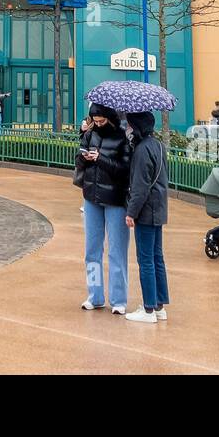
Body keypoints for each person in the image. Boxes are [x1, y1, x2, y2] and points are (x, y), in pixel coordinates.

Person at [75, 103, 131, 315]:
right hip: (91, 197)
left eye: (101, 121)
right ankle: (94, 296)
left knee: (117, 251)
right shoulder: (90, 135)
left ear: (110, 117)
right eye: (94, 121)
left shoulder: (122, 137)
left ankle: (119, 299)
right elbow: (78, 161)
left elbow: (125, 170)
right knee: (91, 250)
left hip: (115, 199)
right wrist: (84, 157)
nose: (97, 124)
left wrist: (102, 160)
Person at [123, 110, 169, 323]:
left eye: (130, 125)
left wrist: (131, 212)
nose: (128, 128)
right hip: (158, 208)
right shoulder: (158, 146)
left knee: (146, 260)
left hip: (146, 211)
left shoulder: (142, 150)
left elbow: (140, 187)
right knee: (157, 257)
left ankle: (148, 308)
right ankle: (159, 305)